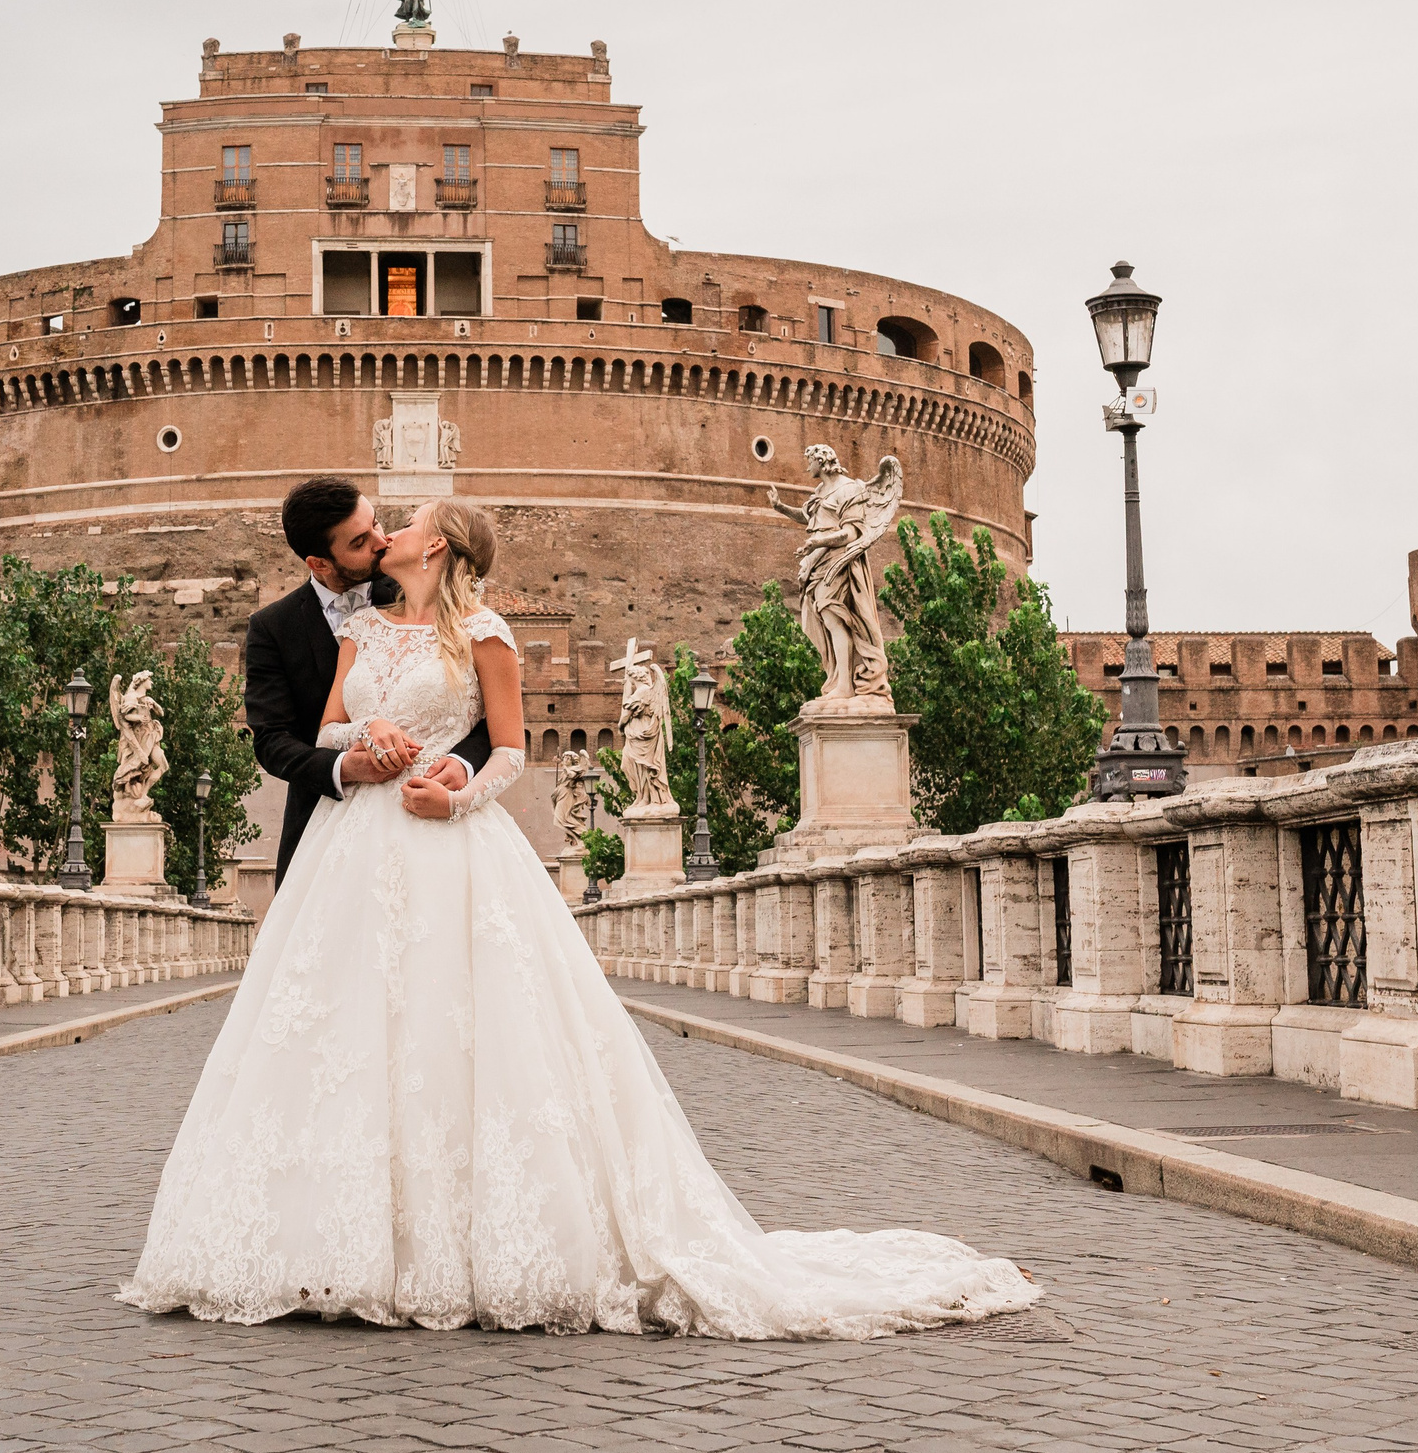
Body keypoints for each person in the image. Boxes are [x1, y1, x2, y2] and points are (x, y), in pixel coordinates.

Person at [120, 498, 1040, 1339]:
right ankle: (329, 1241)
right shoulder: (351, 628)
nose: (385, 530)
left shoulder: (484, 632)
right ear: (331, 558)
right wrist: (365, 748)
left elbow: (511, 748)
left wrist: (460, 782)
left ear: (434, 545)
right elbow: (311, 735)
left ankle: (460, 1243)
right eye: (368, 530)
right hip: (351, 845)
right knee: (339, 1035)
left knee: (459, 1036)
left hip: (448, 849)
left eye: (398, 525)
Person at [242, 477, 488, 883]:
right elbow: (272, 741)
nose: (381, 540)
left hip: (432, 823)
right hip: (323, 832)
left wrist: (463, 764)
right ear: (318, 563)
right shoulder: (273, 628)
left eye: (376, 523)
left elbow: (490, 710)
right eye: (359, 542)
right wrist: (346, 767)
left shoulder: (422, 588)